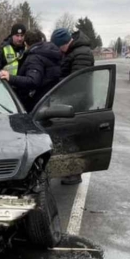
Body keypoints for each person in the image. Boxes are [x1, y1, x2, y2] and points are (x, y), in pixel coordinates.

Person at [51, 27, 96, 185]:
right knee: (69, 136)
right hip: (74, 100)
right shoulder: (75, 51)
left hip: (78, 102)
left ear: (64, 43)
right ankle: (70, 171)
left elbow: (77, 81)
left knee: (73, 137)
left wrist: (59, 92)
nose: (60, 51)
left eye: (59, 47)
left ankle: (74, 174)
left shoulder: (81, 53)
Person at [0, 29, 62, 111]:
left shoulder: (35, 57)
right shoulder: (50, 52)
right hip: (51, 100)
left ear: (25, 43)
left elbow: (33, 81)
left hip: (37, 104)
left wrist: (10, 78)